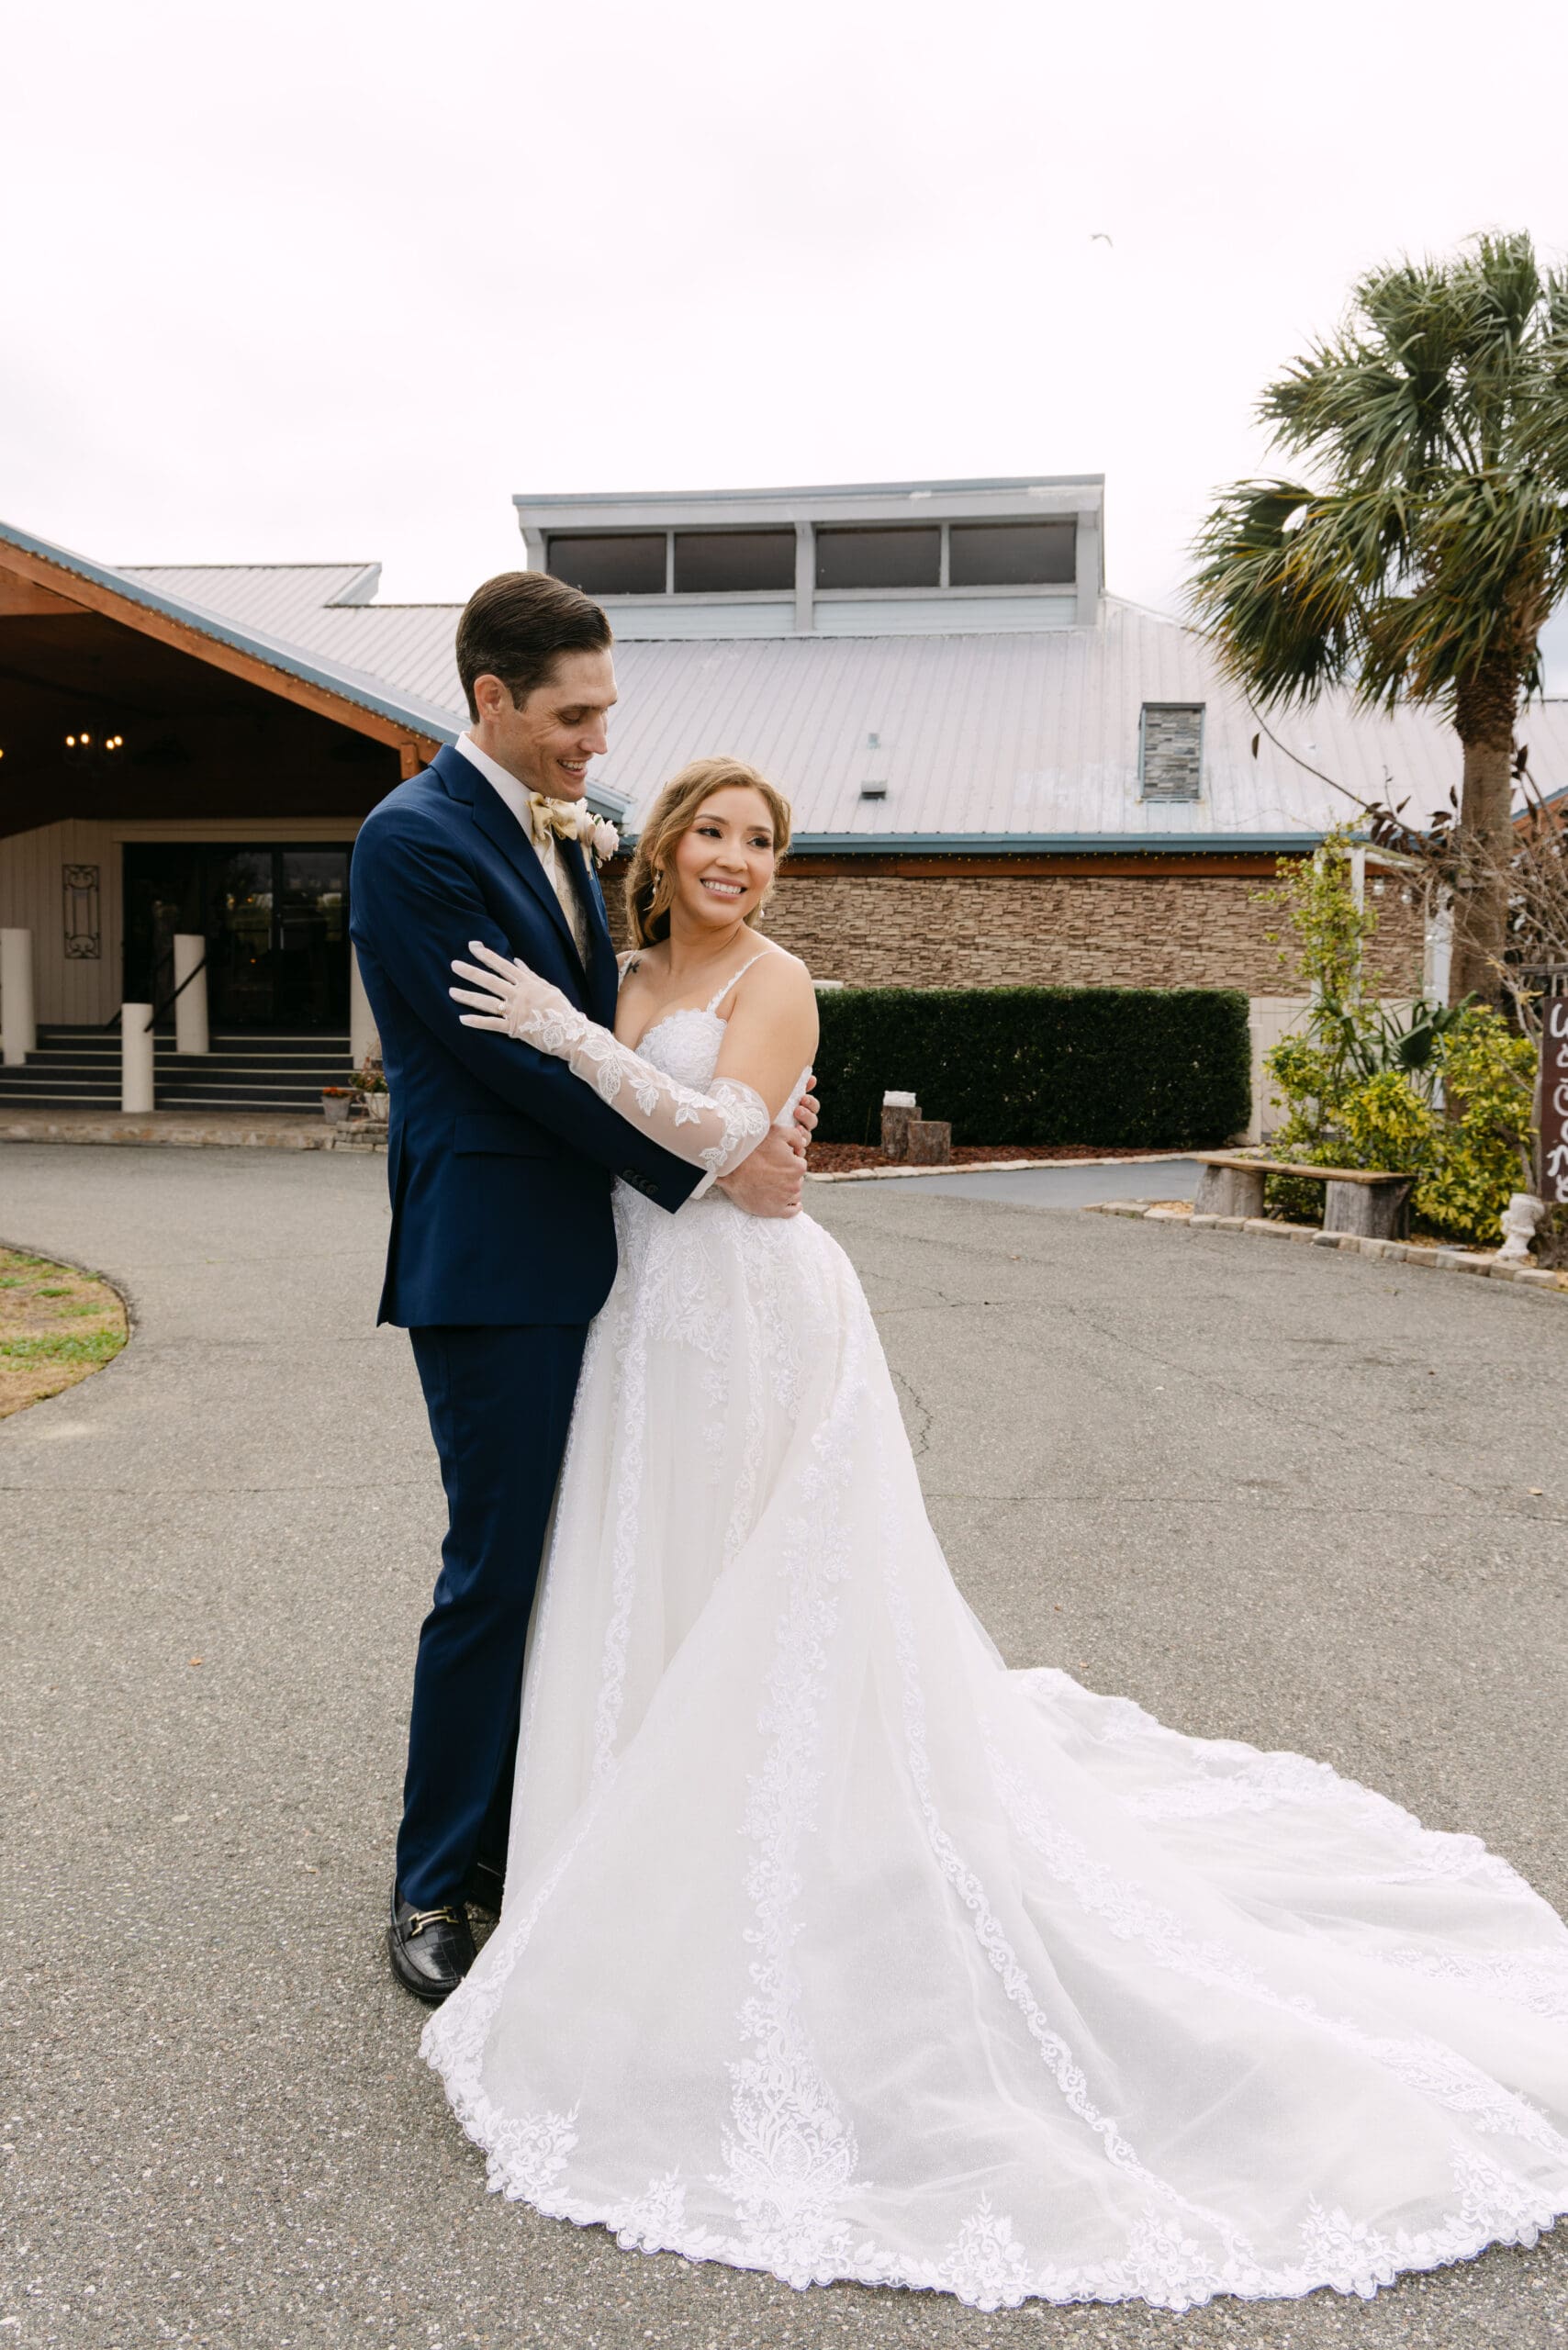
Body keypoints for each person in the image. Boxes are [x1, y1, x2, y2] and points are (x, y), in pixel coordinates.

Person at [421, 755, 1568, 2316]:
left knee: (770, 1595)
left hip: (756, 1318)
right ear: (669, 843)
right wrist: (569, 1026)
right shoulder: (616, 968)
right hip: (640, 1320)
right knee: (647, 1577)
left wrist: (566, 1041)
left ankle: (792, 1858)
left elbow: (718, 1132)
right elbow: (598, 1130)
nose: (737, 862)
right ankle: (619, 1848)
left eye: (763, 843)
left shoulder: (779, 980)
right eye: (714, 833)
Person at [349, 576, 816, 2005]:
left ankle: (546, 1821)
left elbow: (626, 1026)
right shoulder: (414, 842)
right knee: (497, 1568)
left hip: (603, 1262)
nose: (597, 742)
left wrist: (743, 1128)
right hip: (495, 1264)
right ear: (491, 699)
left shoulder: (558, 836)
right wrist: (723, 1168)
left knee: (590, 1554)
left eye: (606, 711)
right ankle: (439, 1881)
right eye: (572, 715)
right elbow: (515, 1068)